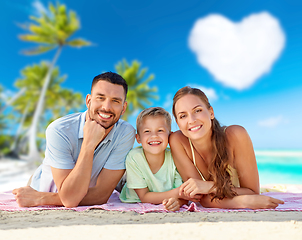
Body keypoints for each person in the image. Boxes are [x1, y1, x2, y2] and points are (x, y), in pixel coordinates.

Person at [13, 72, 135, 208]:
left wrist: (42, 198)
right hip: (43, 186)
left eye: (115, 101)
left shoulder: (125, 132)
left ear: (123, 108)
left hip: (58, 193)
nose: (106, 107)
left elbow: (100, 195)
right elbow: (70, 200)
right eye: (100, 98)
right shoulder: (59, 130)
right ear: (88, 101)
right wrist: (89, 144)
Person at [169, 86, 284, 209]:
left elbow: (252, 192)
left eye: (197, 110)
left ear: (211, 112)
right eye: (183, 116)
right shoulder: (177, 141)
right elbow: (201, 197)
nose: (191, 120)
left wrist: (208, 187)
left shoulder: (235, 135)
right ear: (178, 123)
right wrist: (242, 202)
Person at [119, 107, 187, 211]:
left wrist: (178, 201)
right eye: (147, 131)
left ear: (170, 136)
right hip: (134, 192)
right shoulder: (134, 157)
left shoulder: (175, 157)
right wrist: (178, 193)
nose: (154, 136)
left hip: (163, 192)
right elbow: (144, 197)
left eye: (160, 130)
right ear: (138, 138)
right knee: (120, 183)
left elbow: (183, 197)